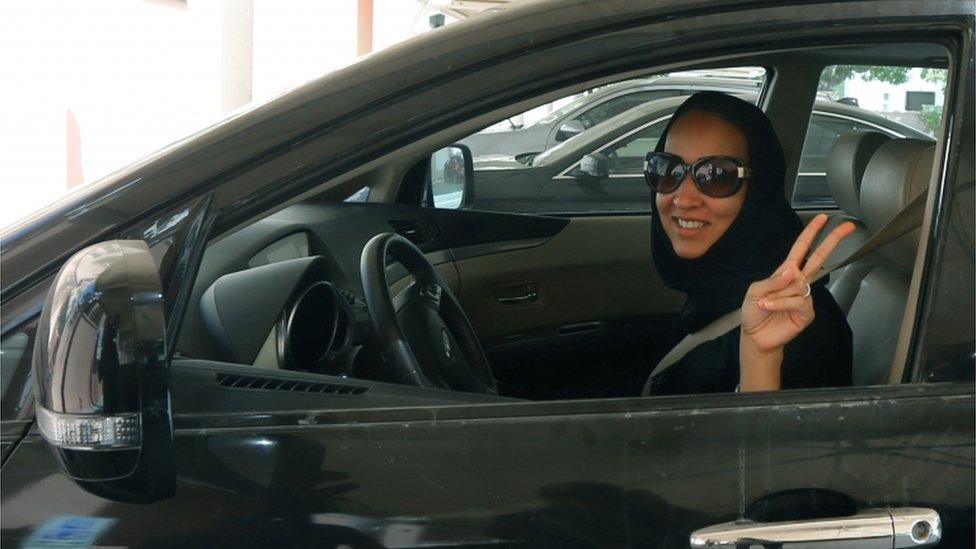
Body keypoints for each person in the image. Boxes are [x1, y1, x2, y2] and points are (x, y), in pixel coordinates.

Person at [642, 92, 854, 395]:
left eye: (716, 175)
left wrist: (760, 359)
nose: (683, 198)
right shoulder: (715, 285)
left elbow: (785, 442)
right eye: (667, 169)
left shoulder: (797, 322)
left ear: (758, 190)